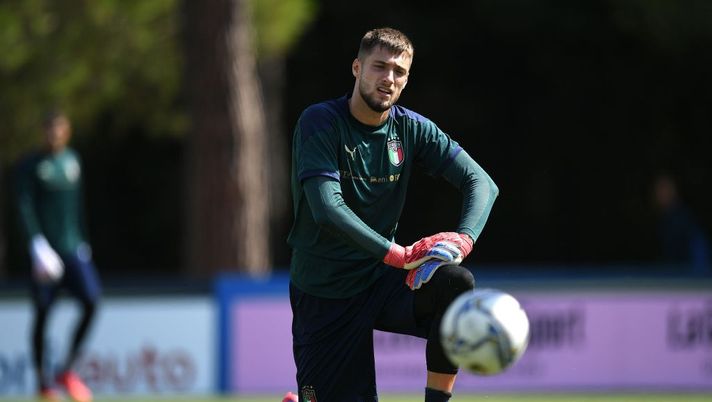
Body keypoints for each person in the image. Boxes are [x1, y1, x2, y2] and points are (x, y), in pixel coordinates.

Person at [287, 27, 499, 401]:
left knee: (454, 282)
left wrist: (463, 239)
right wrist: (397, 254)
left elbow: (481, 183)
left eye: (399, 72)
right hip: (325, 294)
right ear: (357, 68)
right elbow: (326, 209)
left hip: (381, 282)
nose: (389, 79)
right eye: (379, 67)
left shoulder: (411, 128)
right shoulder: (320, 122)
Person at [14, 111, 99, 402]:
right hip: (44, 253)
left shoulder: (73, 161)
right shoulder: (30, 166)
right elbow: (23, 207)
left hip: (72, 248)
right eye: (49, 129)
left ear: (67, 131)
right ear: (43, 131)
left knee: (91, 300)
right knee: (43, 312)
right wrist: (36, 244)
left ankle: (67, 370)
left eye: (59, 129)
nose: (54, 135)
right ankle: (42, 383)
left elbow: (78, 206)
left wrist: (84, 241)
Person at [652, 172, 710, 275]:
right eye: (659, 190)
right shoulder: (663, 219)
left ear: (673, 191)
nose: (661, 194)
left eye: (665, 189)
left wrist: (698, 274)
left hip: (687, 276)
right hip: (671, 275)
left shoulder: (683, 219)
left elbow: (698, 248)